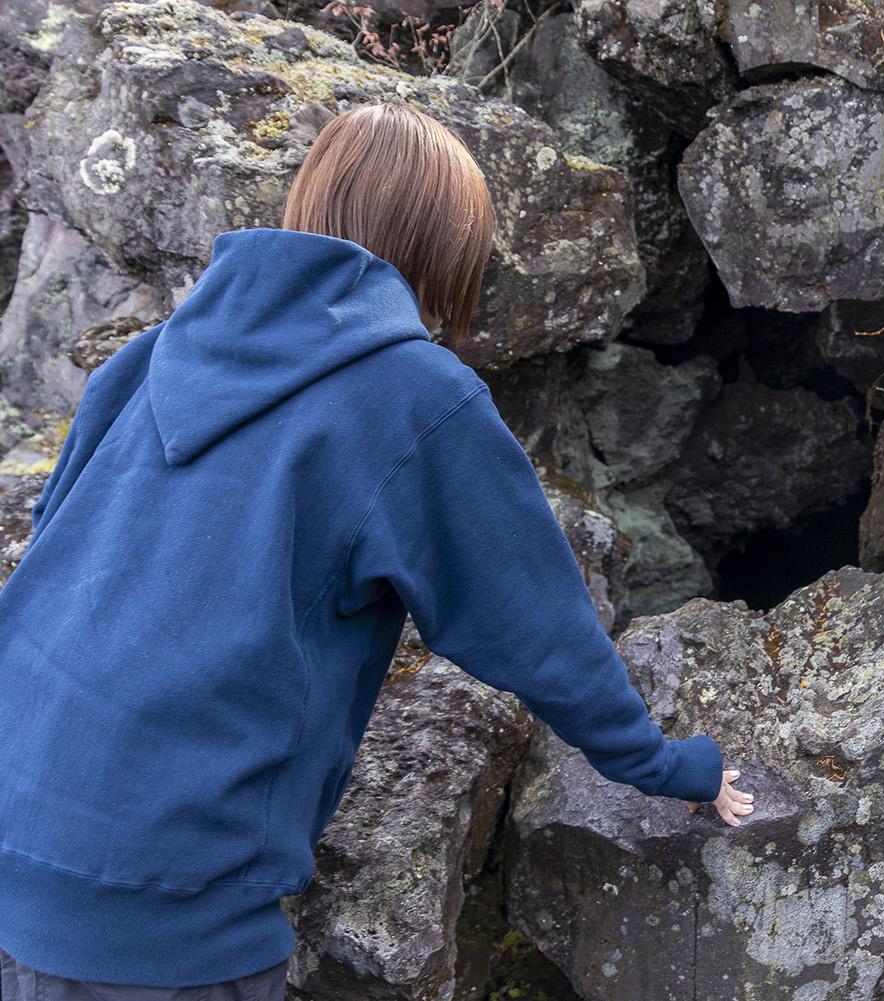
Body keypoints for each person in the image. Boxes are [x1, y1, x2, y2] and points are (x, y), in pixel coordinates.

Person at [0, 103, 751, 998]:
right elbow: (537, 624)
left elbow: (53, 546)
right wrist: (666, 765)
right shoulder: (412, 397)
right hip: (164, 898)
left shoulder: (147, 355)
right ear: (445, 248)